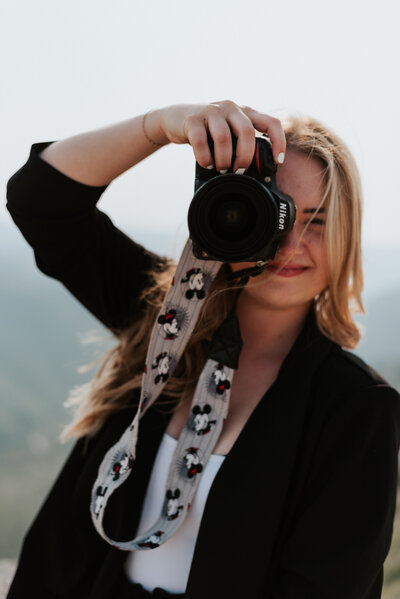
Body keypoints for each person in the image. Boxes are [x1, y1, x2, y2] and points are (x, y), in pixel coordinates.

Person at [5, 100, 400, 599]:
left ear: (347, 235)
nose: (290, 242)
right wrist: (161, 126)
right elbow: (41, 201)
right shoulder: (166, 320)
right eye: (272, 211)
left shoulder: (355, 407)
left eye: (317, 221)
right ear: (227, 212)